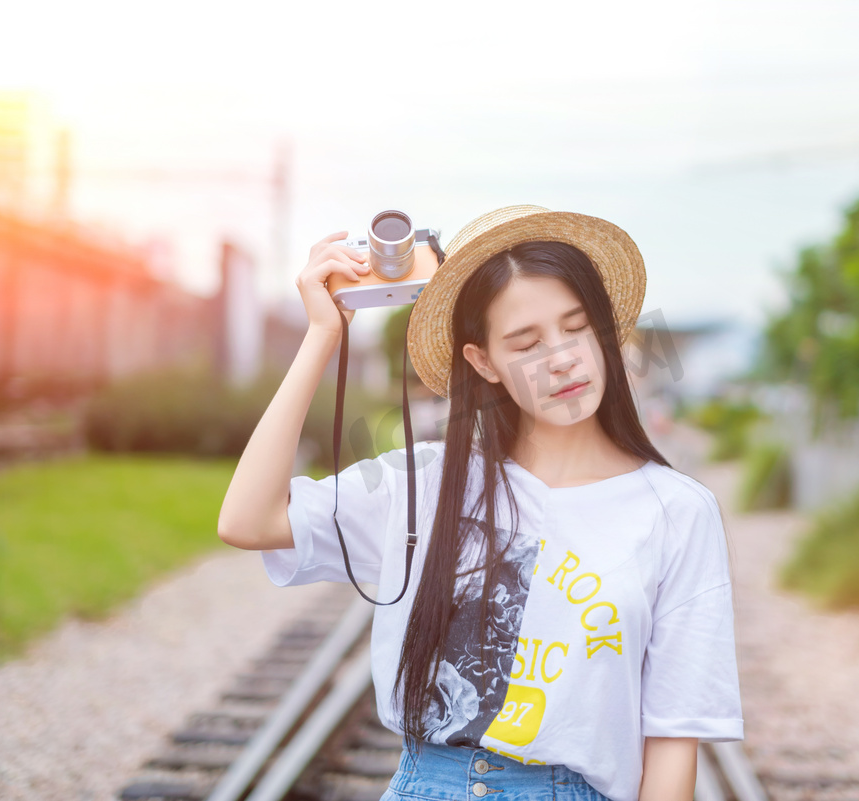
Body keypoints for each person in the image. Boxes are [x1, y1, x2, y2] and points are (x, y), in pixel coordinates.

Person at [217, 205, 743, 801]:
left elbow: (673, 739)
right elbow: (247, 520)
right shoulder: (426, 482)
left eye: (577, 328)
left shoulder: (676, 511)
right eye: (527, 342)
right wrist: (322, 335)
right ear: (483, 362)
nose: (563, 357)